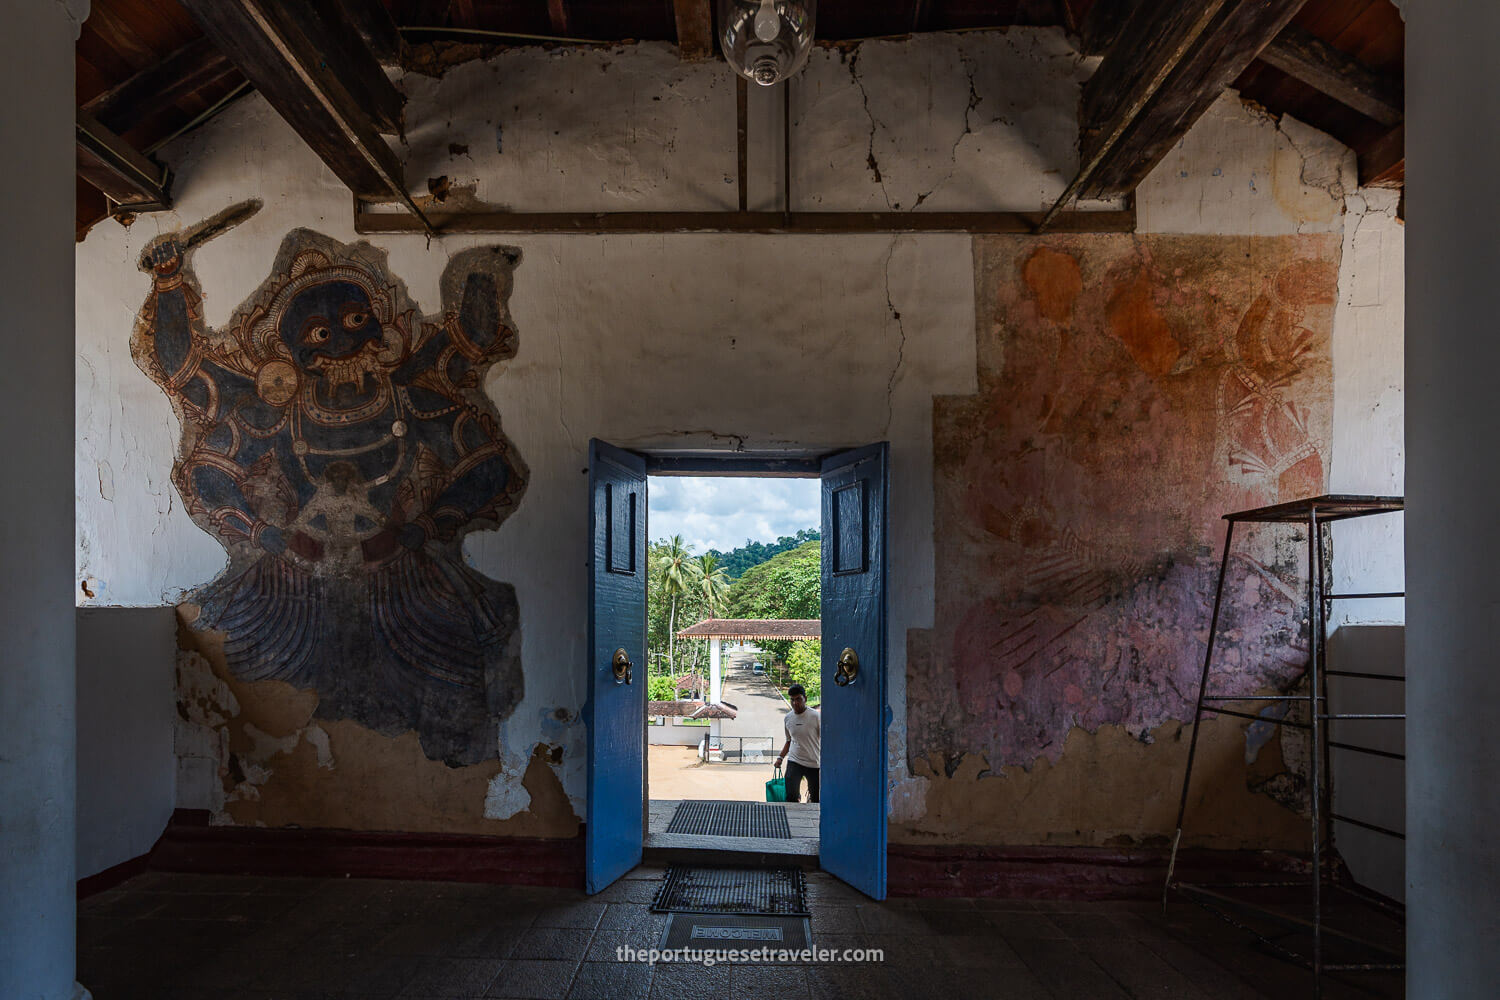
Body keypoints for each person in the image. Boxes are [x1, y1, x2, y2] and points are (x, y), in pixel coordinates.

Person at [775, 683, 821, 803]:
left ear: (805, 699)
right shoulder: (788, 718)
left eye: (798, 699)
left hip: (813, 762)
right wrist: (780, 758)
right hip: (795, 760)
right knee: (790, 796)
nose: (795, 703)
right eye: (792, 700)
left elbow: (824, 740)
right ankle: (793, 816)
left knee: (816, 798)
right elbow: (789, 741)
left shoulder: (815, 716)